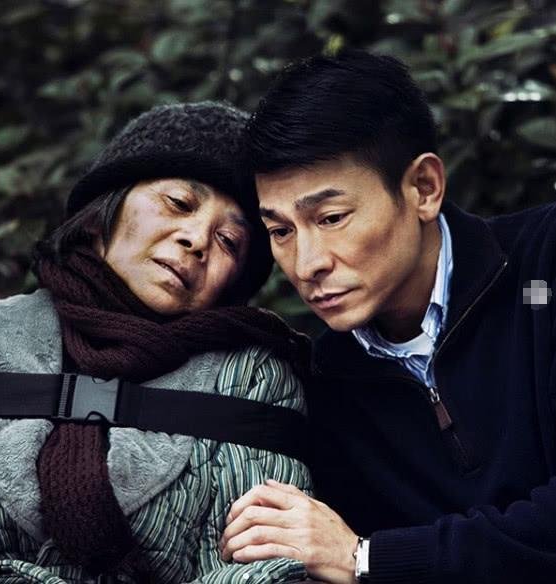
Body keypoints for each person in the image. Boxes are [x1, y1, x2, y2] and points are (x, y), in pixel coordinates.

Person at [218, 49, 556, 583]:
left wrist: (366, 558)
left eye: (331, 218)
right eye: (281, 231)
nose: (306, 264)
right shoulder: (324, 386)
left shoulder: (543, 270)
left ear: (424, 188)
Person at [0, 102, 314, 583]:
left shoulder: (252, 377)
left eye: (229, 240)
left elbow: (264, 568)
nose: (197, 239)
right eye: (179, 204)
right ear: (101, 212)